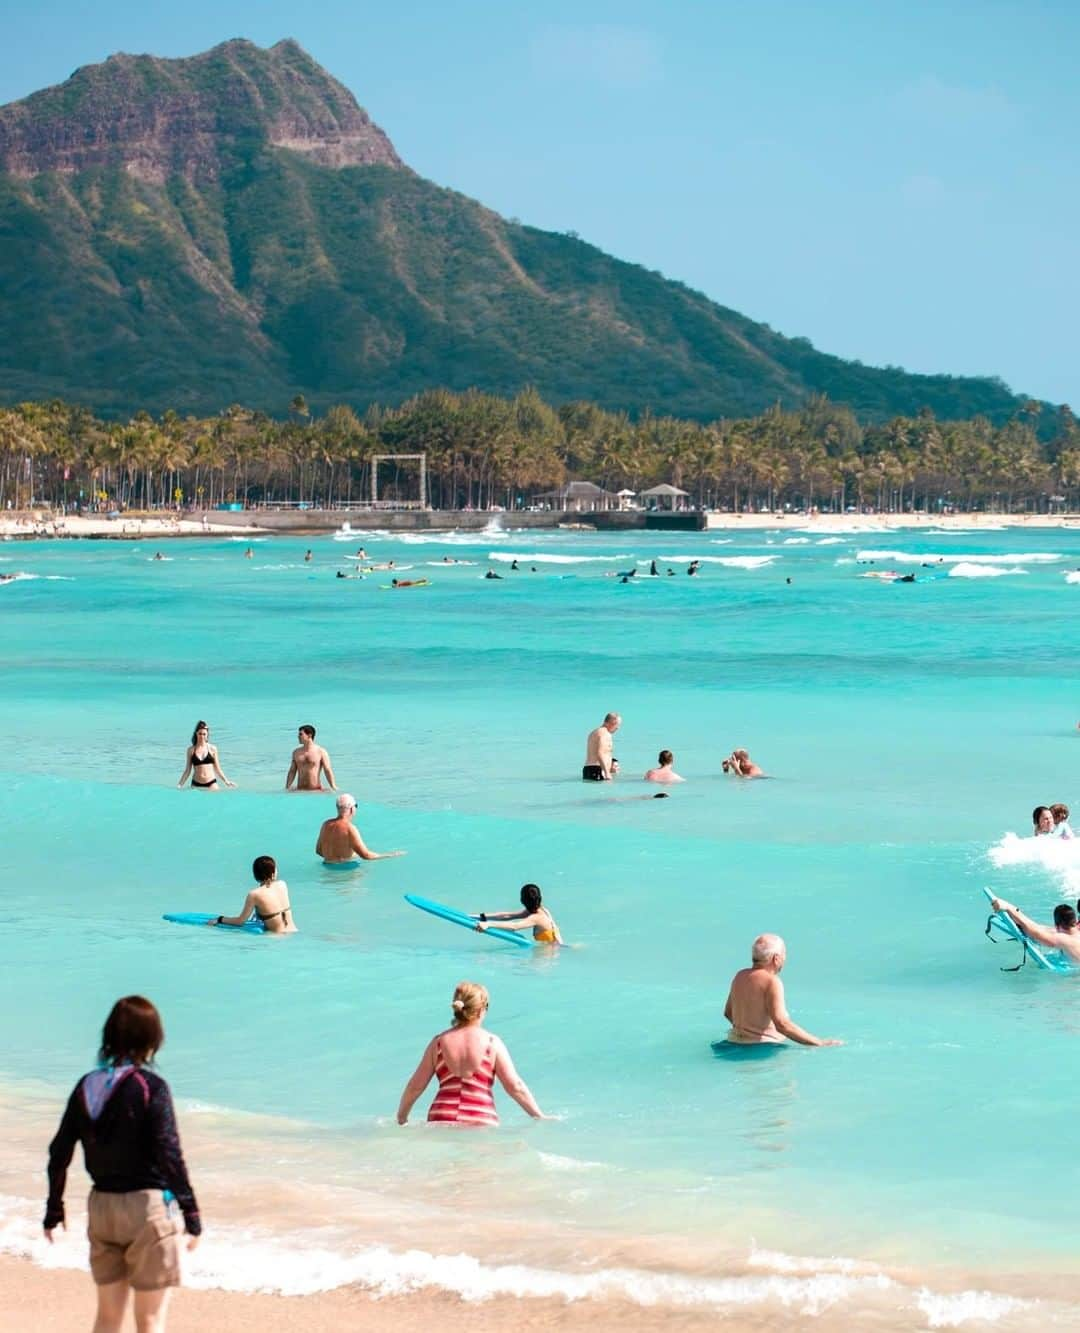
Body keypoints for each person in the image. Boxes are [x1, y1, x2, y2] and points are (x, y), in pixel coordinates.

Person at [44, 996, 201, 1333]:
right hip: (146, 1210)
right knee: (149, 1320)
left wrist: (54, 1209)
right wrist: (191, 1212)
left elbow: (59, 1151)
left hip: (101, 1208)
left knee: (108, 1318)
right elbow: (168, 1153)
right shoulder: (150, 1087)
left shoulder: (86, 1085)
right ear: (152, 1039)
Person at [396, 981, 546, 1126]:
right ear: (481, 1010)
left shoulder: (438, 1043)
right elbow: (515, 1086)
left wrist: (402, 1117)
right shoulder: (492, 1043)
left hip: (441, 1118)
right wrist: (539, 1116)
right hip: (480, 1119)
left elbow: (415, 1086)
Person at [721, 935, 842, 1046]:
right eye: (784, 954)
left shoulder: (740, 976)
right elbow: (782, 1024)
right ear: (776, 958)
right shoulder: (772, 981)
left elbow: (728, 1012)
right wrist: (819, 1042)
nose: (785, 958)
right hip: (762, 1049)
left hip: (733, 1042)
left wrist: (747, 1031)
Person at [211, 855, 296, 933]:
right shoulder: (282, 884)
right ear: (273, 873)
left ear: (256, 875)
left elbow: (240, 921)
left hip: (276, 938)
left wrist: (220, 919)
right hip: (293, 932)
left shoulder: (254, 894)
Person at [315, 793, 406, 863]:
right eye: (356, 806)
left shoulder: (325, 825)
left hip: (327, 868)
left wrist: (336, 856)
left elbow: (318, 851)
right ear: (351, 809)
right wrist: (390, 855)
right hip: (343, 874)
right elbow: (366, 856)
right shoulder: (350, 828)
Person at [990, 898, 1080, 964]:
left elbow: (1035, 932)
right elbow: (1040, 928)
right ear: (1075, 921)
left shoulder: (1063, 939)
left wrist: (1008, 907)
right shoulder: (1075, 931)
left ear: (1057, 925)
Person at [475, 883, 562, 944]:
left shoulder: (537, 917)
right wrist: (479, 917)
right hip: (555, 952)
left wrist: (488, 924)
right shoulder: (541, 909)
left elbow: (514, 926)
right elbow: (507, 915)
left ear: (522, 900)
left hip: (549, 955)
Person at [177, 720, 235, 790]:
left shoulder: (212, 749)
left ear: (207, 734)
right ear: (196, 734)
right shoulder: (191, 750)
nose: (202, 736)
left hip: (211, 783)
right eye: (200, 734)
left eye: (204, 734)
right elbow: (187, 770)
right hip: (196, 784)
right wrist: (180, 785)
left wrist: (226, 781)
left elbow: (218, 769)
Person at [286, 724, 337, 792]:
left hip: (316, 791)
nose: (298, 736)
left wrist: (333, 786)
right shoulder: (296, 752)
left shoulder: (321, 751)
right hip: (300, 790)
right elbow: (292, 771)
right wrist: (287, 787)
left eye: (301, 734)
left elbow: (327, 770)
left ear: (309, 735)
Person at [583, 712, 621, 781]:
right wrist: (607, 773)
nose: (618, 728)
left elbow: (599, 752)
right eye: (617, 725)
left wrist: (611, 763)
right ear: (610, 723)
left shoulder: (595, 732)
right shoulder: (605, 733)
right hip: (598, 770)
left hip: (590, 769)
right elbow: (600, 753)